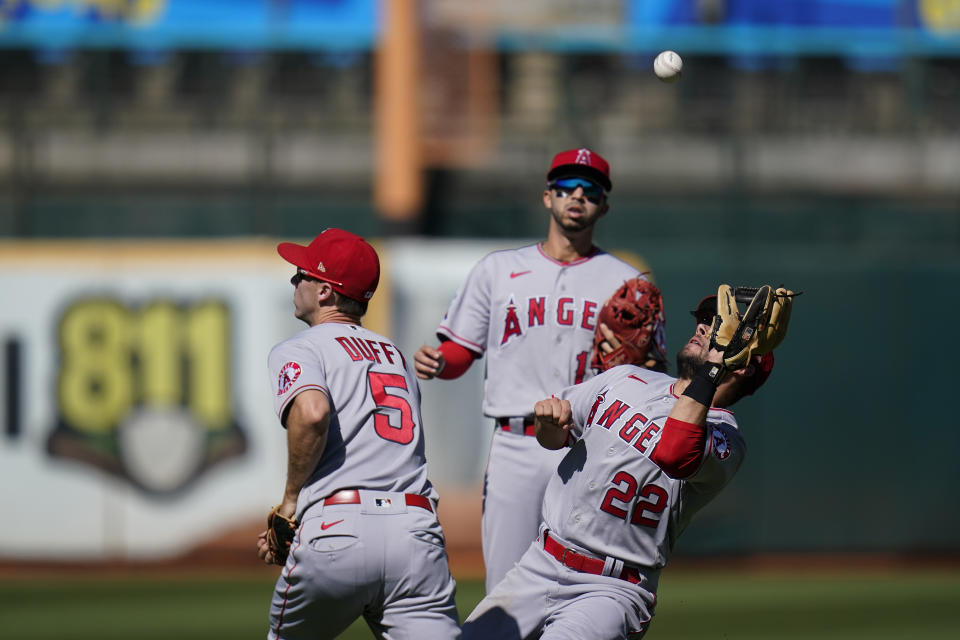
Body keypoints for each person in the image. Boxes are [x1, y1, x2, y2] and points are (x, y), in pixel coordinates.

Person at [460, 290, 791, 639]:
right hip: (540, 564)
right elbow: (556, 436)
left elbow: (676, 451)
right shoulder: (627, 379)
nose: (704, 326)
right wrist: (547, 425)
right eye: (706, 319)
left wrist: (715, 365)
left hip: (611, 590)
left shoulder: (726, 439)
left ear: (743, 364)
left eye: (720, 326)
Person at [414, 148, 667, 592]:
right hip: (516, 444)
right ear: (547, 197)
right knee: (505, 585)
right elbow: (460, 351)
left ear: (603, 206)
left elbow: (651, 372)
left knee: (580, 582)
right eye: (566, 187)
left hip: (590, 449)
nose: (577, 196)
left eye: (590, 190)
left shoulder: (629, 282)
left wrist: (638, 363)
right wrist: (439, 362)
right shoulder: (498, 270)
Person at [257, 228, 461, 640]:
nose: (295, 281)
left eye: (303, 273)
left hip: (339, 528)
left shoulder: (301, 347)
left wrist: (291, 503)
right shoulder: (396, 357)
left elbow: (313, 413)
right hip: (415, 532)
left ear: (326, 292)